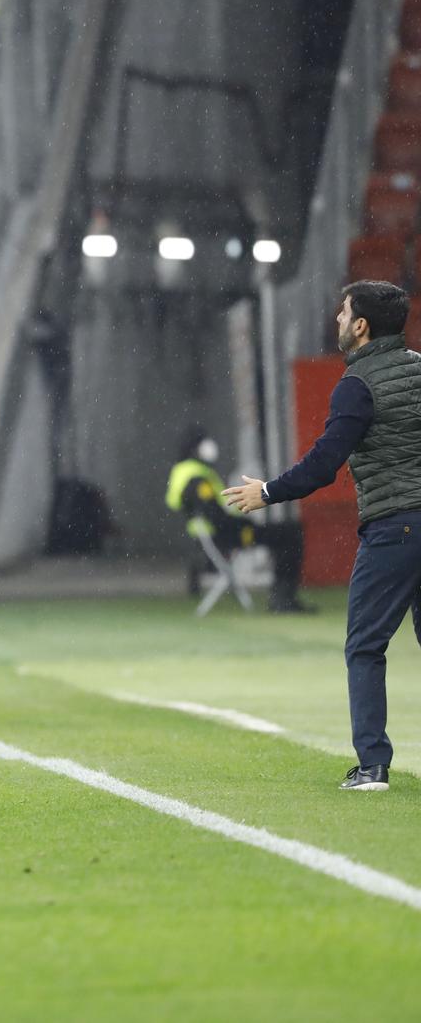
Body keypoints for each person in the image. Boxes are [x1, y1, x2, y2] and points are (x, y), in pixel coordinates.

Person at [224, 281, 421, 791]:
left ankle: (373, 765)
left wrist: (268, 492)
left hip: (395, 526)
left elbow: (325, 463)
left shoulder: (358, 384)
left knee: (365, 646)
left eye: (344, 311)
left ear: (361, 326)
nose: (336, 317)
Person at [166, 427, 247, 598]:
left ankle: (200, 569)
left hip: (205, 530)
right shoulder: (197, 476)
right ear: (196, 447)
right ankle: (283, 598)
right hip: (219, 531)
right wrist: (242, 523)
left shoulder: (186, 470)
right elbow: (213, 511)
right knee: (285, 536)